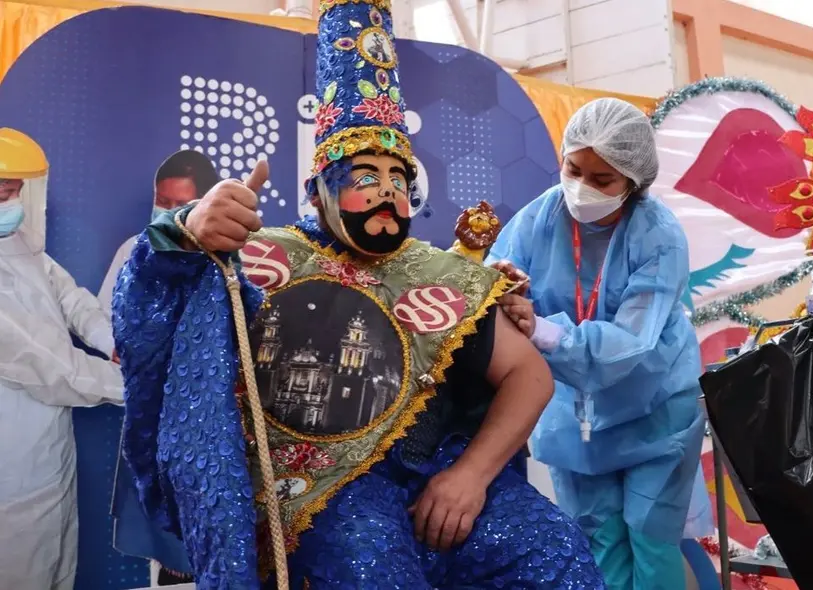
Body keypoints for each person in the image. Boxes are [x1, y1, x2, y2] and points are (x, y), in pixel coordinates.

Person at [111, 1, 604, 588]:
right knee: (371, 568)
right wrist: (186, 232)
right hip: (321, 495)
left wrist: (471, 475)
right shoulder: (258, 255)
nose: (388, 194)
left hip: (438, 474)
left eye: (399, 179)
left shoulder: (439, 272)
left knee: (556, 553)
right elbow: (143, 316)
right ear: (316, 189)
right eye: (365, 177)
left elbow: (531, 375)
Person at [486, 97, 707, 590]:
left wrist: (541, 328)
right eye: (573, 168)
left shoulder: (659, 236)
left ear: (634, 182)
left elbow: (632, 341)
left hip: (655, 414)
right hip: (573, 418)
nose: (582, 188)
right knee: (597, 542)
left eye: (602, 180)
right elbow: (490, 276)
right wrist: (502, 285)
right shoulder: (539, 218)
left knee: (652, 541)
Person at [0, 127, 124, 590]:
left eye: (15, 191)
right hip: (9, 473)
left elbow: (71, 298)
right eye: (1, 190)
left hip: (49, 453)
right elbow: (52, 367)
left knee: (57, 567)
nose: (10, 202)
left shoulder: (21, 243)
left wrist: (113, 340)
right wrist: (142, 386)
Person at [97, 149, 217, 310]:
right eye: (163, 201)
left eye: (181, 204)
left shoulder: (222, 259)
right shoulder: (133, 249)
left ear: (204, 205)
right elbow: (104, 316)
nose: (169, 212)